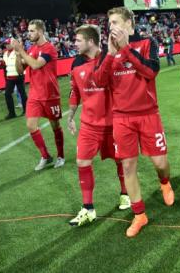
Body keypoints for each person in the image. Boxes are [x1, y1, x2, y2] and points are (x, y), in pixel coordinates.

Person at [94, 7, 174, 238]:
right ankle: (139, 214)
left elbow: (151, 71)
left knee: (160, 163)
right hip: (121, 117)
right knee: (128, 166)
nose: (112, 28)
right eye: (110, 24)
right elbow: (99, 81)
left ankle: (165, 182)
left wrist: (126, 48)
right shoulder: (106, 51)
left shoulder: (148, 43)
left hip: (148, 114)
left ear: (129, 22)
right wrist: (110, 54)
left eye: (116, 22)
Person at [67, 25, 131, 227]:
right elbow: (75, 92)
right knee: (82, 162)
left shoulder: (109, 58)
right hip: (88, 125)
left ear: (91, 41)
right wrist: (70, 116)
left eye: (78, 40)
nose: (74, 44)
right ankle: (88, 208)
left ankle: (125, 194)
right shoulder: (76, 64)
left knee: (120, 161)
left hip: (113, 123)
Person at [11, 19, 64, 171]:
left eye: (32, 31)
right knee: (30, 125)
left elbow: (35, 64)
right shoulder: (32, 49)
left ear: (40, 31)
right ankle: (46, 156)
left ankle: (60, 155)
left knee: (55, 126)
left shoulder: (49, 48)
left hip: (50, 95)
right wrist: (17, 54)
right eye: (28, 31)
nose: (29, 34)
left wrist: (21, 50)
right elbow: (21, 70)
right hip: (34, 94)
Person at [2, 38, 27, 120]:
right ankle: (12, 113)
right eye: (6, 44)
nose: (7, 45)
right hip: (10, 77)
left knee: (22, 93)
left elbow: (24, 61)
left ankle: (26, 110)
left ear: (12, 44)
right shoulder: (5, 54)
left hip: (19, 76)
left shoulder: (17, 51)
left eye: (8, 43)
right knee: (7, 94)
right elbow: (5, 66)